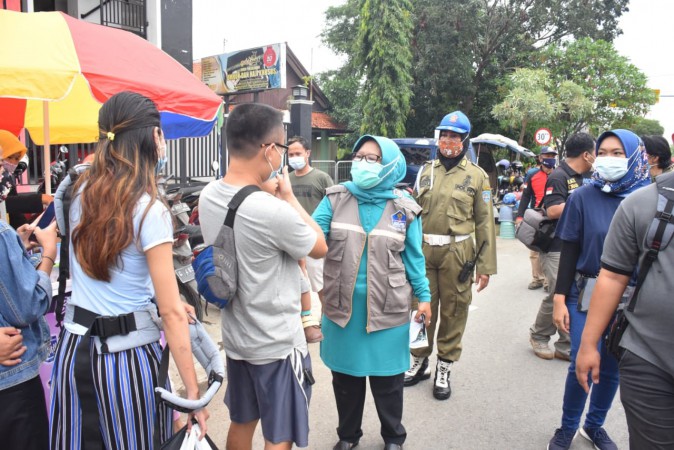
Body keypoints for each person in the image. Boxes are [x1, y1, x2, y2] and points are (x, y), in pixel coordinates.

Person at [49, 92, 207, 449]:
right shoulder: (149, 209)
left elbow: (115, 273)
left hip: (74, 353)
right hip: (126, 360)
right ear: (154, 138)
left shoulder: (78, 191)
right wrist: (193, 396)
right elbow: (170, 312)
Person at [198, 103, 327, 450]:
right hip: (276, 346)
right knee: (279, 435)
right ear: (269, 150)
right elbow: (319, 246)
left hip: (238, 341)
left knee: (242, 423)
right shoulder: (272, 211)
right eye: (283, 149)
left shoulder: (208, 195)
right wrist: (287, 197)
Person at [312, 135, 431, 450]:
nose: (362, 163)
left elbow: (414, 258)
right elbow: (309, 236)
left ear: (390, 165)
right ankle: (348, 437)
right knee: (346, 381)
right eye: (360, 156)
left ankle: (393, 437)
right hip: (342, 310)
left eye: (372, 158)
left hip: (389, 310)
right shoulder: (335, 199)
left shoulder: (404, 209)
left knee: (388, 382)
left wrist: (425, 297)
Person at [547, 129, 650, 450]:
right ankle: (567, 427)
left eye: (618, 153)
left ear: (634, 156)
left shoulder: (647, 199)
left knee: (611, 366)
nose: (608, 158)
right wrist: (559, 299)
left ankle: (594, 426)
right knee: (582, 357)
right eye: (603, 152)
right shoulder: (582, 197)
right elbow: (570, 250)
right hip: (586, 292)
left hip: (632, 299)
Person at [576, 170, 674, 449]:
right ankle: (580, 426)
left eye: (619, 152)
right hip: (650, 358)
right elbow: (612, 276)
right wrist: (588, 343)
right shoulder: (641, 203)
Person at [405, 111, 497, 400]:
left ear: (463, 140)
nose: (448, 140)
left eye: (454, 136)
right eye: (444, 134)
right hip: (423, 250)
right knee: (420, 307)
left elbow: (484, 223)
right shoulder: (425, 171)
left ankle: (444, 366)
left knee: (454, 310)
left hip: (458, 251)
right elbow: (413, 211)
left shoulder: (477, 177)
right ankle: (419, 361)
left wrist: (485, 267)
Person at [0, 145, 58, 450]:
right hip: (12, 384)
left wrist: (17, 251)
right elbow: (29, 305)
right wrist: (48, 255)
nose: (7, 170)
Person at [528, 133, 595, 361]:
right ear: (586, 154)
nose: (597, 157)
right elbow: (553, 209)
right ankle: (539, 335)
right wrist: (584, 200)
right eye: (596, 152)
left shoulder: (586, 176)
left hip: (578, 245)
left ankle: (566, 344)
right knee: (558, 293)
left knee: (572, 294)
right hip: (556, 245)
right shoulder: (559, 176)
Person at [288, 135, 334, 339]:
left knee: (318, 284)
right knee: (294, 283)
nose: (294, 157)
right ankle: (300, 322)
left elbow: (334, 206)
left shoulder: (321, 178)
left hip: (314, 240)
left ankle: (327, 317)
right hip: (289, 240)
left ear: (307, 153)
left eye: (298, 153)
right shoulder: (285, 179)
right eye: (290, 154)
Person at [517, 147, 558, 291]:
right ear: (541, 158)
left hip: (554, 216)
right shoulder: (532, 175)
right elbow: (526, 196)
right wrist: (519, 216)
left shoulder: (559, 174)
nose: (550, 158)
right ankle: (537, 279)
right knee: (535, 248)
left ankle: (548, 281)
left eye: (552, 155)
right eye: (547, 155)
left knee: (550, 249)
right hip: (537, 216)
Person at [0, 130, 52, 229]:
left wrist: (26, 231)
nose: (13, 163)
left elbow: (15, 215)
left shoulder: (7, 181)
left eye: (17, 159)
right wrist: (39, 199)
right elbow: (4, 203)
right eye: (9, 157)